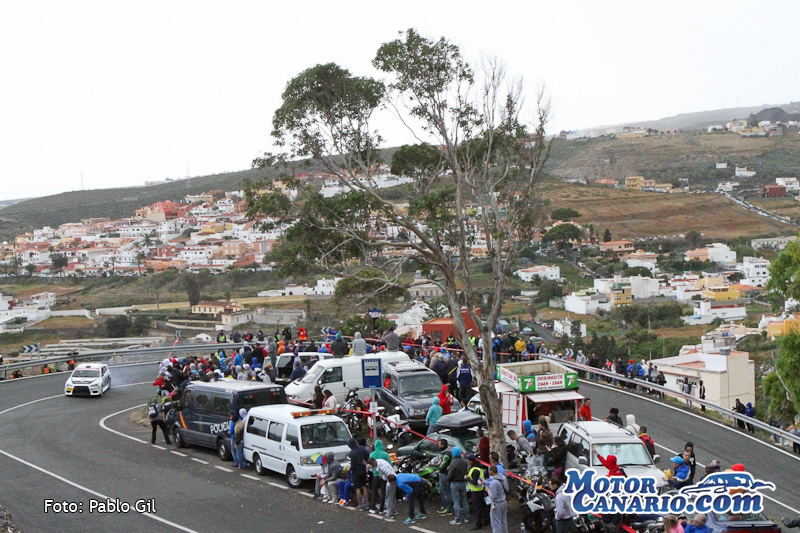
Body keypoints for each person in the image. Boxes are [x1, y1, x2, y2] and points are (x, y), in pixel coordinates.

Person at [347, 437, 370, 511]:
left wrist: (348, 470)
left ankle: (360, 505)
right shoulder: (362, 449)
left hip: (356, 472)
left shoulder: (351, 453)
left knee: (358, 488)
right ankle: (367, 503)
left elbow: (351, 465)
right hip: (363, 470)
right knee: (364, 487)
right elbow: (367, 457)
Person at [368, 439, 391, 513]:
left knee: (374, 490)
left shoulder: (372, 454)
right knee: (383, 491)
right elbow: (390, 463)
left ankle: (372, 507)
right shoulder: (385, 454)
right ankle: (382, 508)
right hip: (383, 475)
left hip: (375, 474)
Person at [448, 446, 469, 525]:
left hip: (454, 483)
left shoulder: (453, 462)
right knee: (464, 500)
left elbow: (451, 474)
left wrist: (448, 480)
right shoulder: (464, 461)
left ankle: (458, 519)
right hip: (463, 482)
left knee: (456, 502)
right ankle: (466, 517)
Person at [467, 454, 489, 530]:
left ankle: (478, 524)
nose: (468, 462)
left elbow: (474, 482)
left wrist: (467, 478)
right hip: (481, 490)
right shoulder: (479, 468)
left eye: (469, 460)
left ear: (471, 461)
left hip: (476, 492)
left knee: (477, 508)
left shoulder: (475, 470)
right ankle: (486, 521)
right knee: (483, 507)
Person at [486, 464, 509, 533]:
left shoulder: (493, 483)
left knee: (496, 523)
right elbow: (507, 488)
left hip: (496, 503)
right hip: (503, 501)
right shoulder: (503, 478)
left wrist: (488, 490)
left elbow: (493, 496)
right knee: (503, 521)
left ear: (491, 471)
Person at [435, 439, 454, 517]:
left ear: (442, 445)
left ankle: (448, 509)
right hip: (443, 474)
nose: (438, 445)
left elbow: (441, 465)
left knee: (446, 492)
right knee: (442, 491)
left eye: (439, 444)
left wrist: (434, 466)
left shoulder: (446, 454)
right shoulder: (445, 453)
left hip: (444, 475)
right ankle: (445, 506)